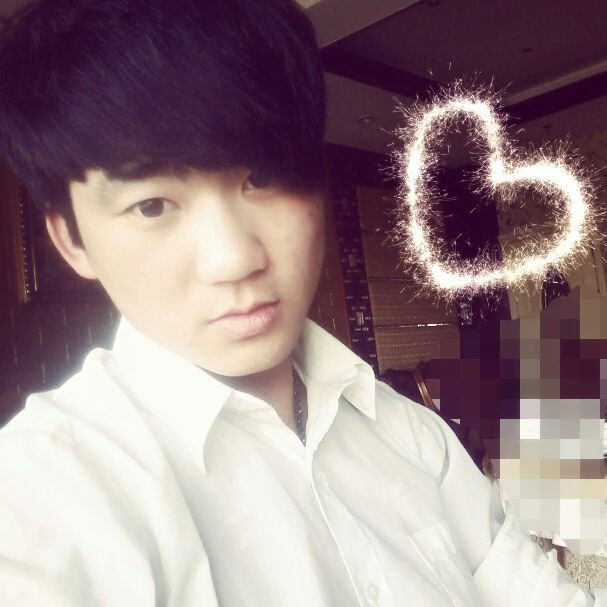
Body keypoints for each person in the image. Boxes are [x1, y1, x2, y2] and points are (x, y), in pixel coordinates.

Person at [0, 0, 603, 604]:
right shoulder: (43, 497)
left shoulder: (407, 431)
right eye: (152, 206)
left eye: (261, 177)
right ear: (72, 239)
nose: (234, 259)